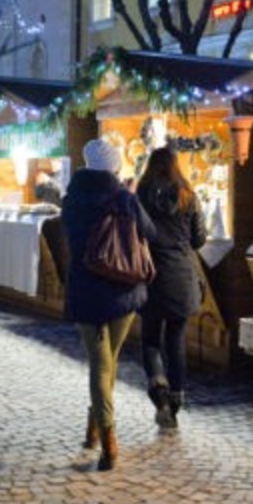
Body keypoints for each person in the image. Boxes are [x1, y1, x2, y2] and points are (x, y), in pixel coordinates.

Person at [61, 138, 155, 471]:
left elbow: (71, 240)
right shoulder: (124, 198)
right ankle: (107, 439)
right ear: (114, 167)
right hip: (123, 291)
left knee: (101, 364)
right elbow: (151, 233)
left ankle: (99, 431)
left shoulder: (71, 200)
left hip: (87, 293)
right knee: (107, 363)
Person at [135, 147, 207, 429]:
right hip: (180, 275)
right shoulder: (188, 195)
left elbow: (134, 233)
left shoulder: (141, 194)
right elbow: (199, 239)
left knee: (150, 339)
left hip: (150, 274)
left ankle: (159, 393)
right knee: (176, 339)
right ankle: (175, 401)